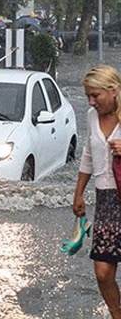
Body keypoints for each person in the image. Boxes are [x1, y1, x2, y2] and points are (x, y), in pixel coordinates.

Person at [72, 65, 121, 319]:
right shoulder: (92, 116)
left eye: (95, 95)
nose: (91, 102)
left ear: (112, 91)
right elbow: (88, 155)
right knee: (103, 272)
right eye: (88, 96)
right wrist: (78, 192)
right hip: (105, 200)